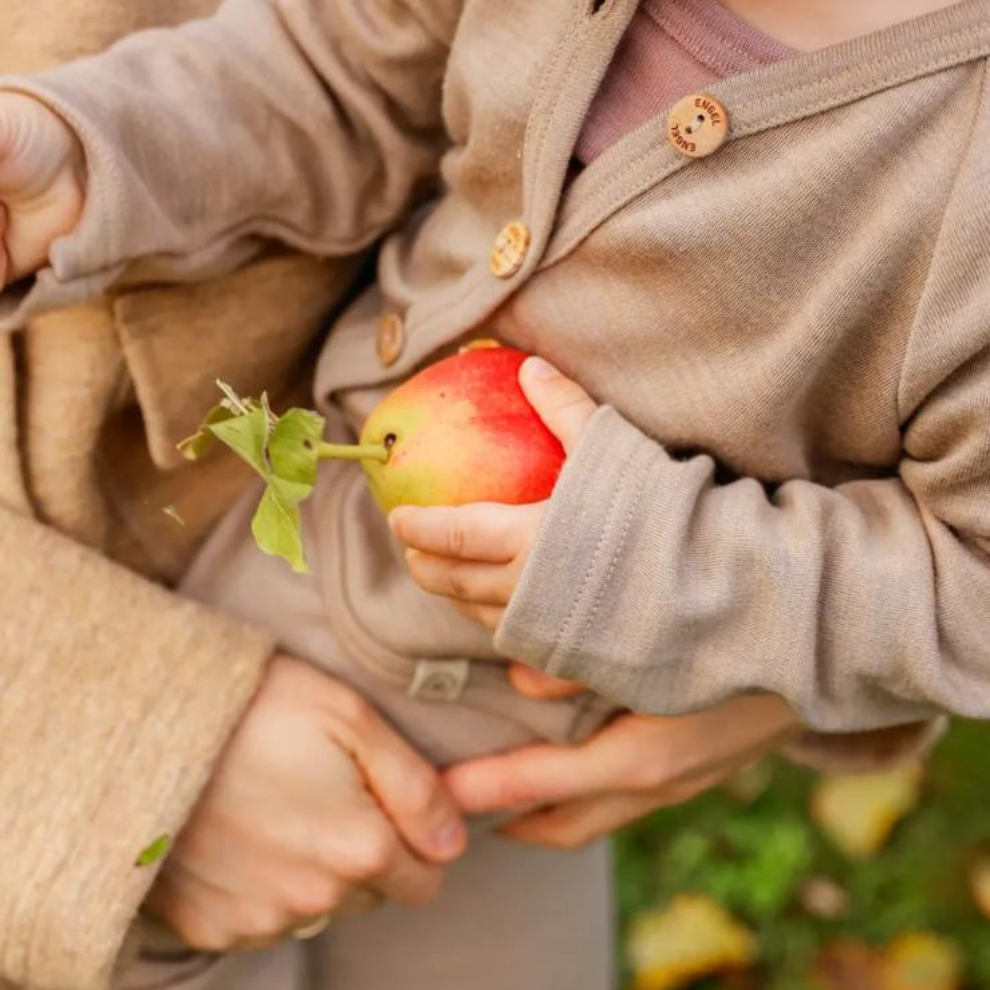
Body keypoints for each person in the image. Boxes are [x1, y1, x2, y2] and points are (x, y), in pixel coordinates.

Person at [2, 0, 983, 986]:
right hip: (264, 577)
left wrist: (657, 573)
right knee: (130, 932)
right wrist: (92, 160)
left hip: (516, 720)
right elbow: (335, 75)